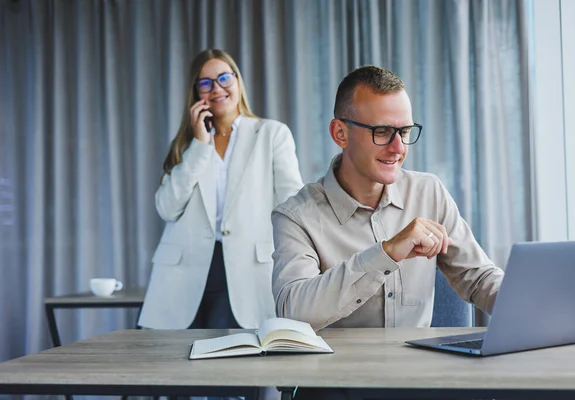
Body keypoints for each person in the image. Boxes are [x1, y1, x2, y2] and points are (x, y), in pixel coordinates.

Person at [271, 66, 505, 399]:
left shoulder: (429, 192)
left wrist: (536, 310)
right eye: (382, 131)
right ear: (340, 133)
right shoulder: (295, 215)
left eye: (405, 131)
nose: (398, 147)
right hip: (335, 382)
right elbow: (294, 313)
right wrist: (387, 252)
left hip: (419, 380)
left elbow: (479, 279)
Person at [138, 48, 303, 337]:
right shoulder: (187, 144)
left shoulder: (271, 134)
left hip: (247, 271)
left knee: (234, 371)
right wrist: (200, 147)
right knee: (178, 370)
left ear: (238, 82)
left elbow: (292, 205)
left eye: (224, 78)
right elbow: (168, 208)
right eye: (206, 82)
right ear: (196, 92)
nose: (217, 88)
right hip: (185, 275)